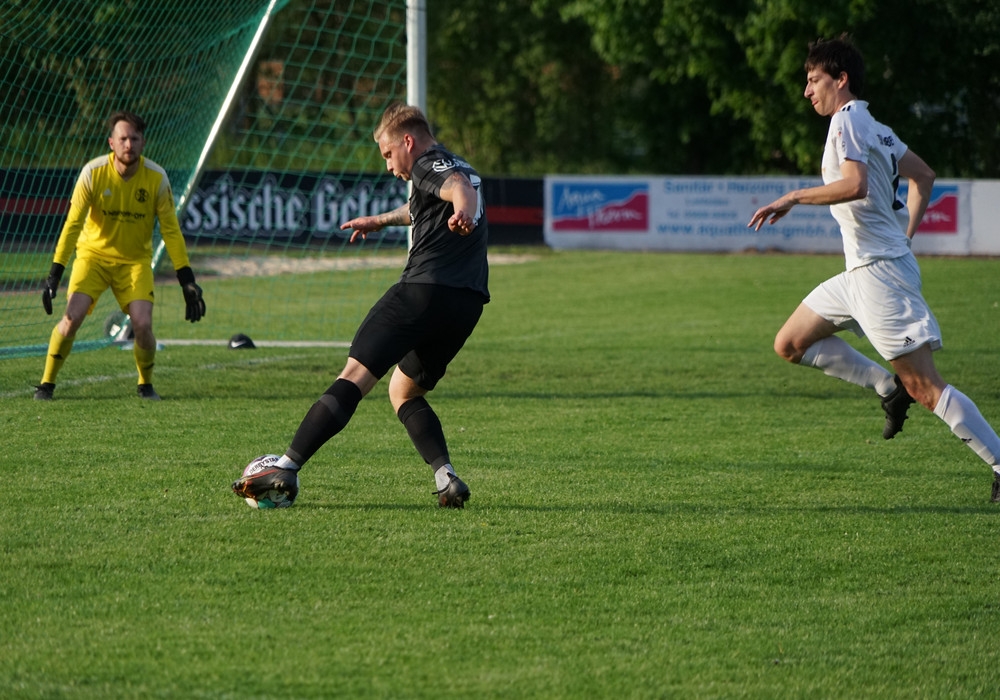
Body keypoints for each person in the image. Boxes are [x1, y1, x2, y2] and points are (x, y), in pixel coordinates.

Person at [748, 35, 1000, 503]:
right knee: (790, 343)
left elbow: (855, 184)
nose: (807, 90)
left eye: (814, 80)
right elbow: (924, 175)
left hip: (880, 276)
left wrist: (793, 197)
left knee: (926, 386)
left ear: (840, 79)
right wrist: (907, 235)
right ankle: (886, 386)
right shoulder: (876, 127)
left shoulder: (845, 120)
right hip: (863, 271)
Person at [232, 102, 489, 508]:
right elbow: (429, 201)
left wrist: (464, 213)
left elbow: (458, 190)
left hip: (423, 290)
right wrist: (379, 221)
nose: (388, 165)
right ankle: (447, 479)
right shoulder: (457, 165)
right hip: (466, 303)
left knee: (354, 375)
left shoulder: (428, 163)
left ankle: (286, 466)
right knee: (404, 392)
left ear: (408, 141)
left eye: (388, 153)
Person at [35, 110, 205, 401]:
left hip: (134, 262)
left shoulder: (157, 178)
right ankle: (46, 384)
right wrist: (55, 273)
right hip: (92, 258)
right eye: (123, 138)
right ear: (111, 143)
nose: (129, 144)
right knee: (72, 317)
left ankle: (145, 385)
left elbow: (171, 231)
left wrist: (186, 279)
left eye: (135, 139)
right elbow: (72, 225)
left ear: (143, 142)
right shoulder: (92, 173)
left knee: (143, 324)